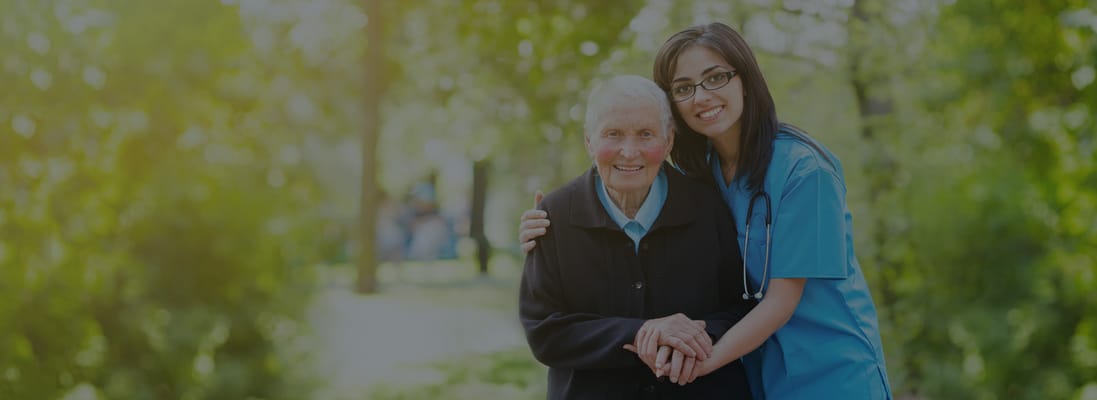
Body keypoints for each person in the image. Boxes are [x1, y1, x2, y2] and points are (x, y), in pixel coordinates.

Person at [519, 22, 892, 399]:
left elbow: (780, 300)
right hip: (759, 367)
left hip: (829, 370)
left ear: (745, 79)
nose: (701, 97)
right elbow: (625, 171)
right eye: (683, 88)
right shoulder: (705, 173)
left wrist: (700, 362)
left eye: (716, 78)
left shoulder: (804, 170)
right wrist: (557, 219)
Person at [519, 75, 756, 399]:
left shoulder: (708, 206)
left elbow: (740, 307)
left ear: (669, 140)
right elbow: (544, 331)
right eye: (613, 134)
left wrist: (691, 339)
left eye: (646, 135)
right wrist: (643, 332)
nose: (629, 152)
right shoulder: (554, 217)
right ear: (589, 141)